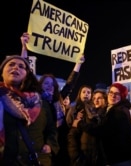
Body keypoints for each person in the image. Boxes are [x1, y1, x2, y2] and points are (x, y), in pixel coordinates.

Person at [20, 32, 85, 166]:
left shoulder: (58, 98)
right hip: (42, 143)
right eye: (46, 83)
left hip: (60, 141)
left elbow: (70, 83)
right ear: (40, 85)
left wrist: (78, 63)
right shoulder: (35, 99)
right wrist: (24, 48)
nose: (49, 86)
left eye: (52, 84)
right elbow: (26, 74)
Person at [0, 55, 59, 165]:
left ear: (27, 74)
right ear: (2, 72)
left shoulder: (41, 102)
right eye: (11, 64)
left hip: (36, 160)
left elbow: (52, 129)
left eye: (21, 66)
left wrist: (50, 145)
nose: (16, 68)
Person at [67, 88, 108, 166]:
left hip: (100, 160)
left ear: (105, 100)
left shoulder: (107, 116)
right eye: (94, 98)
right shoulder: (85, 114)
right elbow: (72, 135)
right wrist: (76, 157)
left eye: (99, 98)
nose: (96, 100)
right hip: (84, 159)